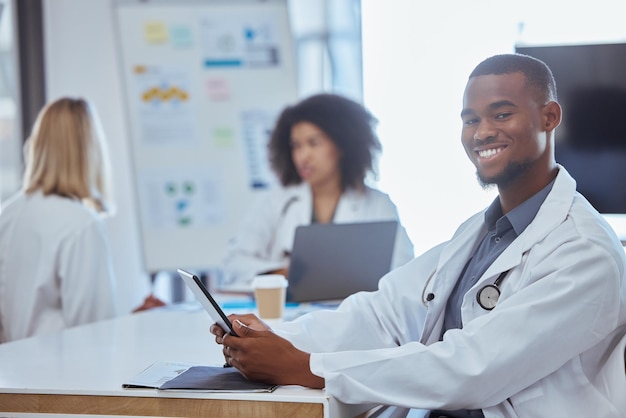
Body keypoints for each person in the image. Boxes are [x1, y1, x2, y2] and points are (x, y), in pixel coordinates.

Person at [211, 54, 626, 417]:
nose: (481, 132)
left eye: (501, 114)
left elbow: (473, 368)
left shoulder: (583, 252)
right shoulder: (481, 233)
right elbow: (384, 314)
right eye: (470, 119)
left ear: (550, 117)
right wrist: (271, 337)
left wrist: (308, 367)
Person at [220, 93, 414, 287]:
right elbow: (234, 263)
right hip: (287, 314)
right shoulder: (278, 201)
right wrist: (282, 273)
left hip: (353, 313)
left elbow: (405, 272)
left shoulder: (377, 205)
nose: (303, 156)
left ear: (342, 145)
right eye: (296, 146)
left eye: (314, 143)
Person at [0, 97, 119, 343]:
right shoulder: (82, 225)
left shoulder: (8, 213)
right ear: (89, 150)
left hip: (12, 371)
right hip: (61, 374)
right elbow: (96, 332)